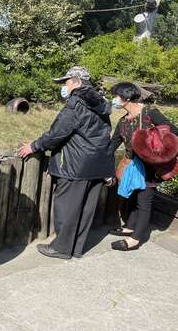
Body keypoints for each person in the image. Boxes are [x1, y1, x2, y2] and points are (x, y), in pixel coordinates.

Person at [18, 66, 115, 259]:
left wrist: (35, 146)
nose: (64, 86)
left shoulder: (76, 102)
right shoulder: (101, 103)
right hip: (98, 163)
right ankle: (76, 248)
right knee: (86, 209)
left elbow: (58, 133)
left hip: (76, 164)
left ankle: (61, 248)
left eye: (67, 82)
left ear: (77, 82)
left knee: (67, 207)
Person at [109, 82, 178, 251]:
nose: (114, 100)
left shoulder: (150, 113)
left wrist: (153, 144)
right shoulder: (123, 121)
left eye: (116, 96)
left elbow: (173, 132)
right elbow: (112, 145)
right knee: (132, 196)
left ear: (126, 97)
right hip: (131, 166)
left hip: (151, 166)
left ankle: (135, 239)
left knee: (144, 200)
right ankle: (130, 226)